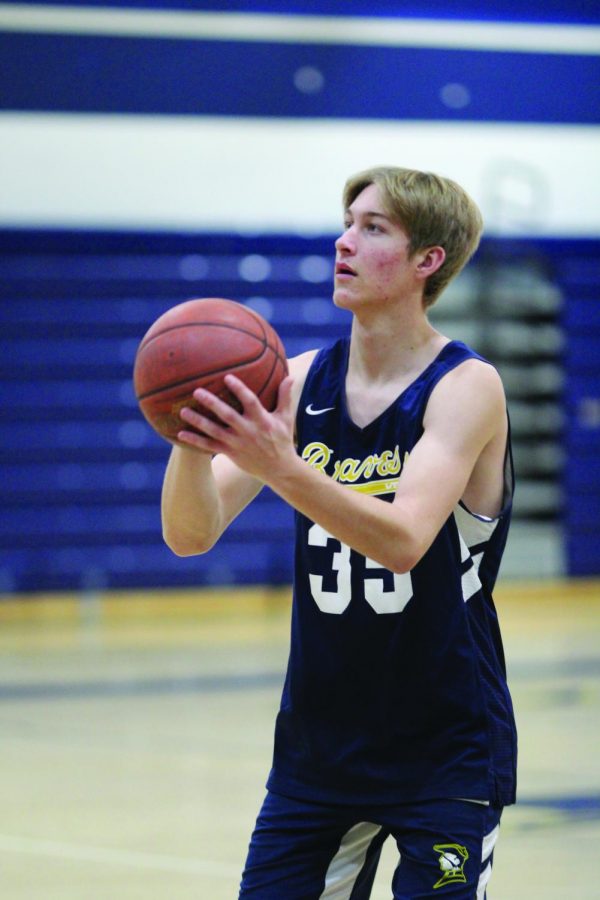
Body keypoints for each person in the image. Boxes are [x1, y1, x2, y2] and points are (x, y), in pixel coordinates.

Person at [161, 166, 517, 898]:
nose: (344, 240)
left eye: (373, 227)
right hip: (319, 751)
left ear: (428, 261)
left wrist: (281, 465)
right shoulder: (294, 384)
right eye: (349, 221)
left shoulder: (465, 387)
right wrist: (189, 435)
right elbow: (190, 535)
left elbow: (403, 540)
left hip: (443, 747)